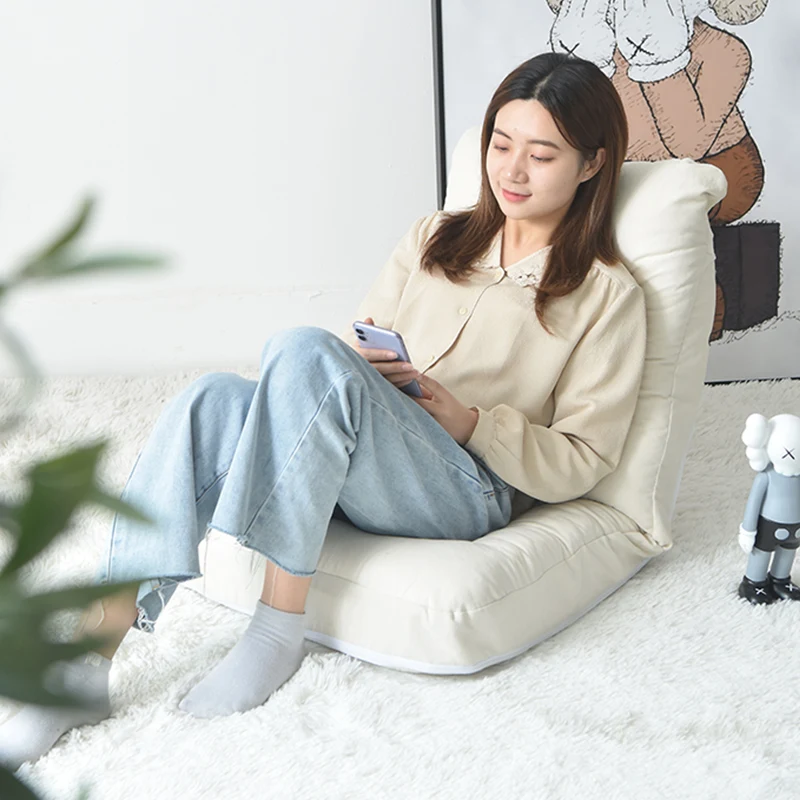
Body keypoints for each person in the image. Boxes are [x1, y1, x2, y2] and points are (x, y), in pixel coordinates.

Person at [0, 51, 646, 769]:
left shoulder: (606, 294)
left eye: (542, 155)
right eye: (500, 144)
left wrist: (468, 421)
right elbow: (345, 361)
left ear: (592, 164)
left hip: (468, 490)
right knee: (208, 399)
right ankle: (85, 662)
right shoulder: (434, 237)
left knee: (302, 350)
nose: (512, 171)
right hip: (372, 457)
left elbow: (586, 458)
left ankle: (277, 628)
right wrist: (383, 379)